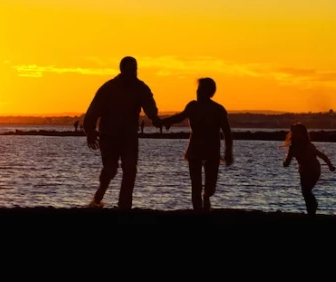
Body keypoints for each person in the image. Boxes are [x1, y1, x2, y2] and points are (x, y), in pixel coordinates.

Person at [83, 56, 162, 210]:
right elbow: (92, 112)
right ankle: (98, 196)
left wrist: (156, 118)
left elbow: (150, 108)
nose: (133, 73)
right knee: (110, 170)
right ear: (122, 70)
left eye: (135, 70)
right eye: (130, 70)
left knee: (130, 169)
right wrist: (90, 132)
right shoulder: (108, 88)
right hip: (108, 137)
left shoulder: (141, 88)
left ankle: (124, 206)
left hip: (129, 138)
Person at [161, 77, 233, 212]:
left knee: (210, 185)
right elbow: (180, 116)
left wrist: (228, 152)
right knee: (196, 184)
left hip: (212, 149)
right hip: (195, 148)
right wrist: (165, 121)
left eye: (201, 90)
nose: (198, 92)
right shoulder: (193, 106)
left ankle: (206, 198)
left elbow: (227, 133)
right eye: (198, 89)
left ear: (210, 92)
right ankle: (198, 211)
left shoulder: (218, 109)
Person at [282, 122, 336, 215]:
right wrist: (285, 164)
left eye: (298, 133)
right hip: (303, 171)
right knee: (305, 192)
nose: (296, 135)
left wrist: (330, 166)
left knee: (307, 191)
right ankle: (310, 212)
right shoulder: (292, 148)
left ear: (303, 134)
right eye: (294, 133)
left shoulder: (309, 146)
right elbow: (288, 161)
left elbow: (322, 156)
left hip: (314, 170)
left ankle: (313, 206)